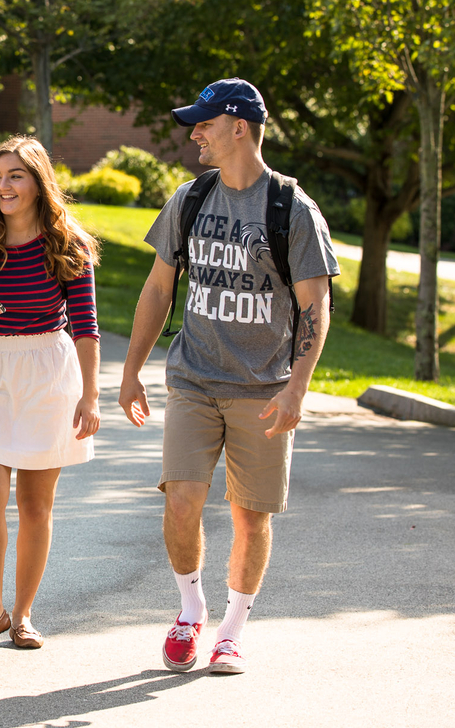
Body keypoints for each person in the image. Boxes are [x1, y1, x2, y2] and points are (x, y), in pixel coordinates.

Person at [118, 78, 339, 675]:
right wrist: (132, 370)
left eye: (205, 124)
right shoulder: (189, 200)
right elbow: (158, 289)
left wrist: (297, 386)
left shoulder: (292, 209)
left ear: (238, 126)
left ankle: (233, 630)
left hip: (264, 389)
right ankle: (191, 610)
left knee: (250, 515)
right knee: (183, 500)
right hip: (193, 378)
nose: (195, 134)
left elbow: (315, 305)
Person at [0, 135, 100, 651]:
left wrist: (90, 395)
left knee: (35, 505)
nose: (4, 186)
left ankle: (25, 612)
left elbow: (86, 326)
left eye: (16, 176)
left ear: (38, 183)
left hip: (49, 371)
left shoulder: (67, 241)